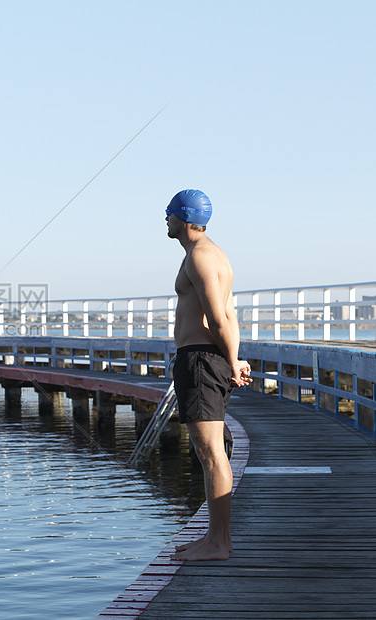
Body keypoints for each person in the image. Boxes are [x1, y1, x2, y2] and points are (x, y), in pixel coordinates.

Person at [165, 189, 252, 562]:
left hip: (200, 361)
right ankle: (216, 539)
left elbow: (217, 318)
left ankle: (218, 543)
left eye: (168, 214)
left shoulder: (199, 257)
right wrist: (234, 356)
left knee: (211, 453)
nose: (164, 220)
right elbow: (230, 316)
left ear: (183, 218)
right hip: (207, 357)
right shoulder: (213, 254)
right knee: (212, 453)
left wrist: (231, 361)